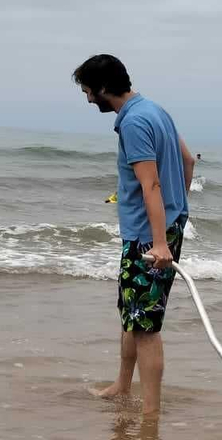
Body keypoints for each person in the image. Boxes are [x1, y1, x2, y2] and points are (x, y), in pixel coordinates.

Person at [74, 54, 196, 415]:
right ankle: (122, 386)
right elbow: (187, 161)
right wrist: (177, 211)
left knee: (146, 327)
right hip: (156, 229)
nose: (87, 98)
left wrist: (159, 241)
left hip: (148, 238)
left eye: (87, 91)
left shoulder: (135, 123)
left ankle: (150, 413)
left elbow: (151, 184)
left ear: (103, 88)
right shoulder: (154, 110)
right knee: (132, 313)